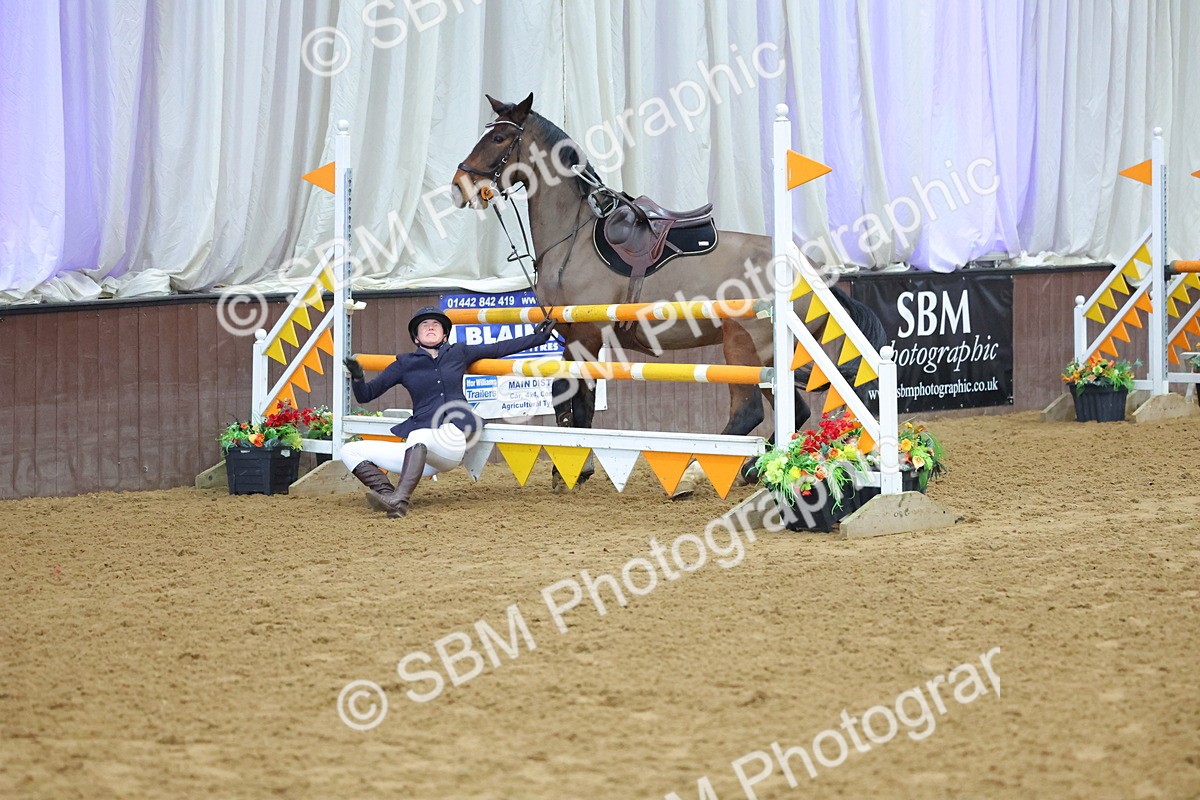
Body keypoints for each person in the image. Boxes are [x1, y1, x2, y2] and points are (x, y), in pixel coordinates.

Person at [341, 305, 557, 518]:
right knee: (350, 451)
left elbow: (499, 348)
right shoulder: (404, 363)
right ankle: (389, 496)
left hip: (451, 440)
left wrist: (538, 337)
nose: (430, 327)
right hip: (419, 453)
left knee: (419, 435)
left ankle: (399, 501)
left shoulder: (458, 352)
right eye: (424, 325)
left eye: (436, 324)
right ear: (416, 336)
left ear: (445, 334)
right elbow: (366, 395)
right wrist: (358, 377)